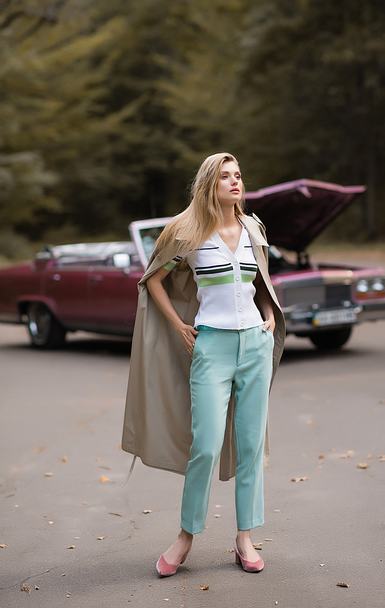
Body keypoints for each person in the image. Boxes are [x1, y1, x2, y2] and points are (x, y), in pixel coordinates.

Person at [121, 152, 285, 576]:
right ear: (209, 185)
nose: (236, 183)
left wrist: (268, 312)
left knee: (250, 447)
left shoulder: (252, 228)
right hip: (210, 349)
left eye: (239, 176)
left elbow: (258, 281)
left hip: (255, 346)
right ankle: (185, 537)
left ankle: (245, 538)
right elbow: (153, 278)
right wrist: (177, 325)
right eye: (226, 177)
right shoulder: (187, 232)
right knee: (206, 446)